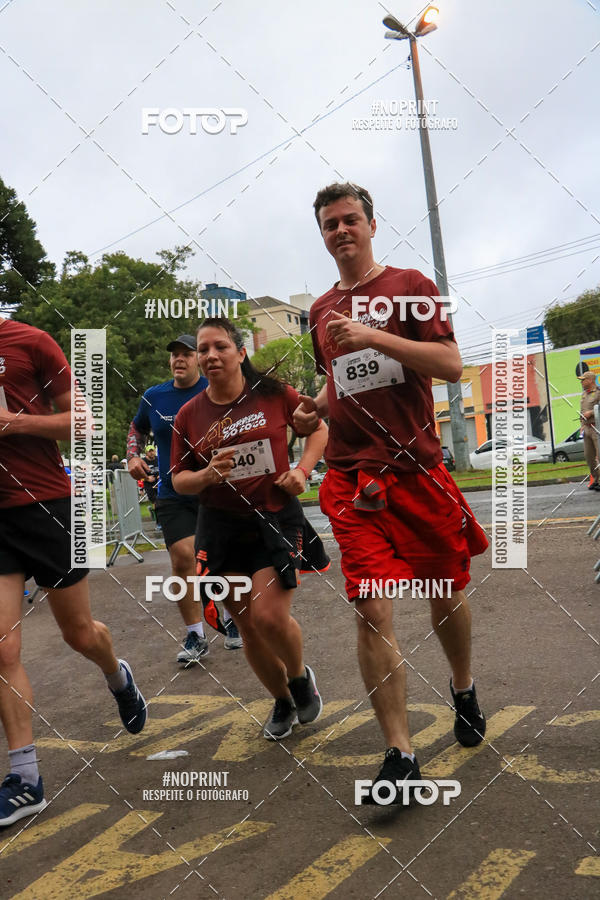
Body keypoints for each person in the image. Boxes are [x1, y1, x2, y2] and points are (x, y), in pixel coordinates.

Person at [294, 182, 489, 804]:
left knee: (445, 593)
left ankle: (462, 685)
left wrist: (376, 336)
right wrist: (310, 413)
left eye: (350, 220)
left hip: (418, 474)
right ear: (322, 235)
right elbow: (338, 383)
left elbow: (452, 364)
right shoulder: (322, 309)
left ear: (373, 225)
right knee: (372, 608)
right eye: (330, 224)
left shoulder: (410, 286)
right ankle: (400, 755)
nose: (341, 230)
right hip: (354, 482)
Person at [0, 317, 147, 827]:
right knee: (2, 649)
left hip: (47, 506)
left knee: (79, 634)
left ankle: (117, 675)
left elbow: (83, 421)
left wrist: (13, 423)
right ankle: (25, 779)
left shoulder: (30, 341)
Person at [171, 318, 329, 740]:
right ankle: (281, 700)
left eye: (220, 346)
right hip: (221, 527)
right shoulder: (189, 415)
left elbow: (318, 428)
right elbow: (177, 479)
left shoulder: (274, 395)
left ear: (241, 353)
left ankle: (298, 678)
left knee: (270, 616)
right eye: (203, 349)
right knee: (245, 622)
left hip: (274, 515)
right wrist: (205, 476)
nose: (209, 355)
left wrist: (303, 469)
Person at [126, 334, 242, 662]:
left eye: (186, 354)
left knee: (219, 558)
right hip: (172, 491)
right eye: (174, 355)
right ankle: (195, 635)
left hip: (215, 489)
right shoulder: (154, 397)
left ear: (198, 360)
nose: (179, 359)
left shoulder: (215, 391)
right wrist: (133, 456)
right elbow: (136, 429)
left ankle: (232, 619)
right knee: (182, 558)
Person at [578, 370, 600, 490]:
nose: (581, 382)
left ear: (590, 380)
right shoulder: (584, 394)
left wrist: (591, 413)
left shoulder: (598, 392)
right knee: (589, 456)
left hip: (596, 427)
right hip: (586, 429)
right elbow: (581, 411)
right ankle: (596, 479)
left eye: (583, 379)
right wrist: (582, 425)